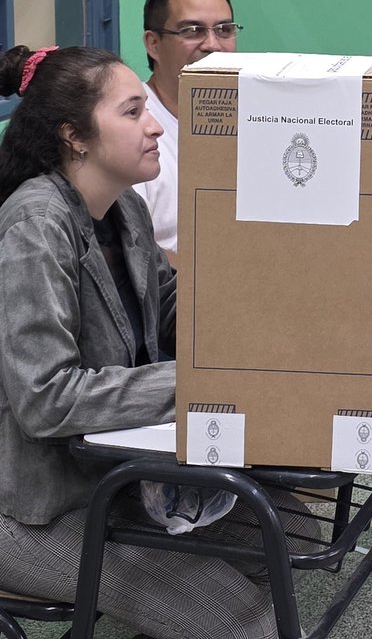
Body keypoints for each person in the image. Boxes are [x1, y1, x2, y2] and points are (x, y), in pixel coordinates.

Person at [0, 44, 316, 639]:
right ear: (75, 136)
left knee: (289, 533)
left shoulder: (124, 206)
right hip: (36, 504)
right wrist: (203, 379)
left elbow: (169, 307)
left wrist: (270, 303)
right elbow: (46, 398)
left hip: (113, 467)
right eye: (132, 112)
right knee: (244, 622)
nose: (153, 126)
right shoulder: (34, 227)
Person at [134, 0, 241, 254]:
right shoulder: (133, 125)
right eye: (192, 30)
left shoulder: (252, 118)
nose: (212, 45)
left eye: (224, 30)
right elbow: (131, 252)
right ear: (153, 44)